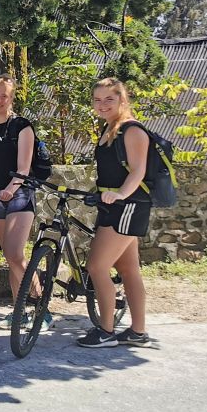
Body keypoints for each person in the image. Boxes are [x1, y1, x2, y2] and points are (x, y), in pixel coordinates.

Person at [78, 77, 152, 348]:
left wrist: (120, 194)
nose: (102, 105)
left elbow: (138, 171)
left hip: (128, 205)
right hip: (112, 204)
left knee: (96, 266)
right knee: (129, 268)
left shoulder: (132, 130)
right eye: (97, 100)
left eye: (109, 99)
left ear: (122, 99)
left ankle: (106, 330)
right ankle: (138, 332)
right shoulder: (110, 129)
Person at [0, 75, 51, 330]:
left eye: (3, 95)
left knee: (16, 255)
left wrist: (10, 189)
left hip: (19, 195)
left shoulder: (22, 126)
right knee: (9, 256)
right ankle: (20, 313)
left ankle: (41, 309)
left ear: (11, 98)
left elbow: (23, 167)